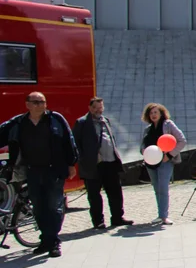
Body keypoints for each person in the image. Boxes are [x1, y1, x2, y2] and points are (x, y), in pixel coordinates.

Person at [0, 92, 77, 257]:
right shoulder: (19, 122)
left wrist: (71, 163)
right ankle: (46, 240)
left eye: (42, 102)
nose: (40, 105)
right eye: (35, 102)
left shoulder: (56, 119)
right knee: (39, 208)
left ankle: (53, 242)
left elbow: (68, 141)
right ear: (27, 104)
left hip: (54, 170)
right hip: (32, 171)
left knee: (54, 206)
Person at [73, 97, 131, 230]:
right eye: (95, 108)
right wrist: (84, 159)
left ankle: (117, 218)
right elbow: (75, 144)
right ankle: (98, 221)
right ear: (90, 108)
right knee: (94, 195)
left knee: (115, 192)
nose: (98, 110)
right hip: (93, 165)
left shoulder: (106, 121)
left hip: (110, 162)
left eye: (100, 108)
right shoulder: (82, 122)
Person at [142, 103, 187, 225]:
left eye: (156, 112)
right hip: (151, 162)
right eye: (151, 113)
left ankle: (164, 216)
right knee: (157, 189)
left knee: (163, 188)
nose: (153, 115)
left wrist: (170, 155)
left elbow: (182, 141)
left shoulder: (168, 125)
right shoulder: (148, 129)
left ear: (161, 113)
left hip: (165, 161)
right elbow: (143, 144)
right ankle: (160, 214)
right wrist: (143, 151)